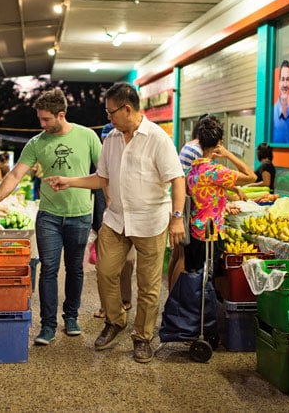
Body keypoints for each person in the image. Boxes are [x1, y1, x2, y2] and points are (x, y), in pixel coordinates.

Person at [44, 82, 186, 364]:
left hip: (151, 222)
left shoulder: (158, 139)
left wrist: (177, 218)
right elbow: (102, 179)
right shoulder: (111, 140)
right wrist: (70, 181)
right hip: (117, 219)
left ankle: (143, 337)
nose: (108, 118)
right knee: (106, 272)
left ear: (127, 109)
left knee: (148, 284)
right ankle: (116, 320)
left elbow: (177, 179)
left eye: (111, 113)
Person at [0, 88, 102, 345]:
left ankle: (72, 317)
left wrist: (109, 214)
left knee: (75, 269)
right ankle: (47, 326)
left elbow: (103, 176)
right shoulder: (36, 143)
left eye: (46, 119)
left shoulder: (88, 137)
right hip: (49, 218)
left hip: (80, 216)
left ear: (61, 115)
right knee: (48, 270)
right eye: (40, 119)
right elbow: (13, 176)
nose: (41, 124)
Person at [184, 116, 257, 272]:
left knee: (195, 277)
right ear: (218, 144)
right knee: (206, 281)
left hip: (194, 232)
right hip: (211, 234)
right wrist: (228, 154)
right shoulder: (215, 171)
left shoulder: (192, 169)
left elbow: (210, 194)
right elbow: (251, 176)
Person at [93, 122, 135, 319]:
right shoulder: (103, 156)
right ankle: (107, 306)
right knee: (105, 265)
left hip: (130, 216)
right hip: (107, 216)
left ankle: (125, 299)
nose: (105, 143)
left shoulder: (128, 156)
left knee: (127, 260)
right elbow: (99, 181)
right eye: (103, 140)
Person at [272, 59, 289, 143]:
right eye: (282, 79)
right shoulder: (272, 115)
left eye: (287, 79)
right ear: (278, 82)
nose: (285, 84)